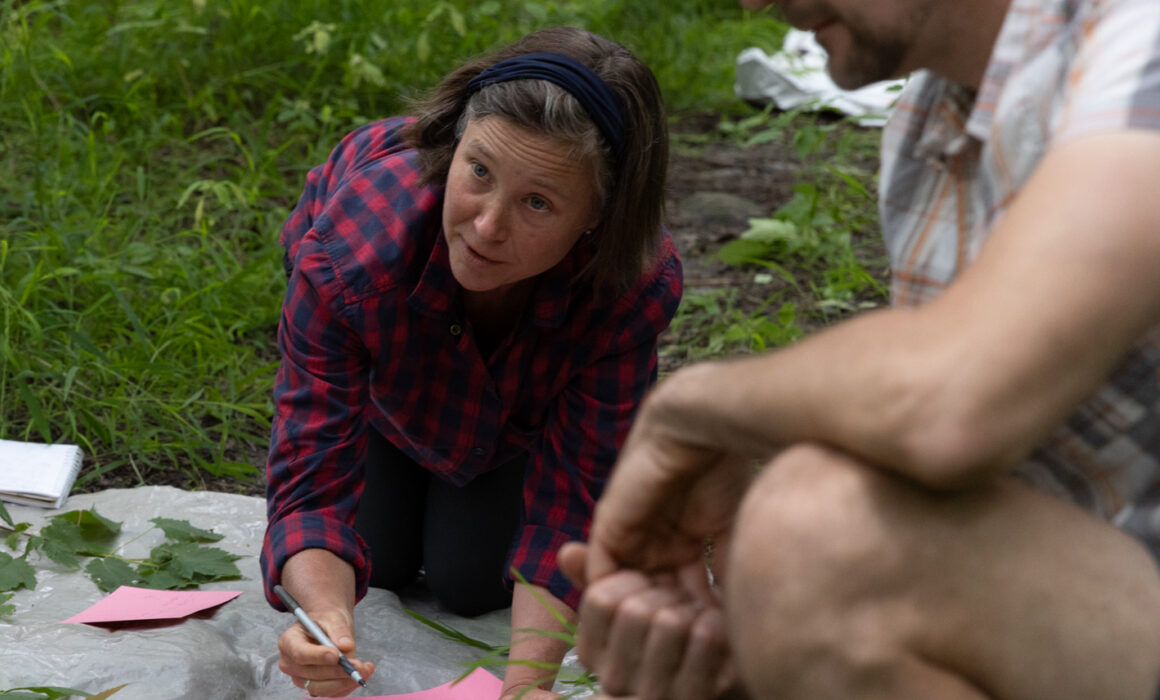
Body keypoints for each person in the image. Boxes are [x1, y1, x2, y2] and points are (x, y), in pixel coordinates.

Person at [558, 0, 1160, 698]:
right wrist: (777, 640)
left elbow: (952, 402)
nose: (754, 5)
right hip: (1106, 583)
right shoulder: (925, 125)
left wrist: (689, 408)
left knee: (815, 532)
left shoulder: (1137, 41)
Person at [260, 26, 682, 699]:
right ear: (453, 144)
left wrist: (526, 686)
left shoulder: (627, 290)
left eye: (538, 203)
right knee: (380, 561)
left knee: (468, 580)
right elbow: (309, 477)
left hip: (512, 418)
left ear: (597, 217)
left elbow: (574, 499)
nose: (488, 227)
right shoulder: (352, 254)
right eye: (478, 171)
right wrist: (325, 620)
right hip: (389, 391)